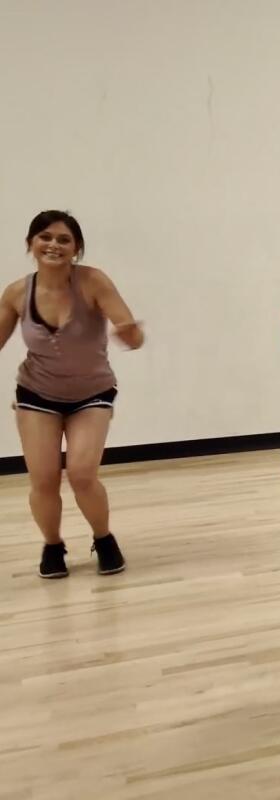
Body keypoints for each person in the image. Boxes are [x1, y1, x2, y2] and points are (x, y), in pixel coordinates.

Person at [0, 210, 144, 579]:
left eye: (64, 239)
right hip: (36, 393)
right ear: (31, 243)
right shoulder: (17, 292)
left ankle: (104, 537)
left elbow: (130, 329)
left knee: (81, 473)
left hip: (91, 392)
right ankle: (52, 544)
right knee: (44, 479)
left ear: (76, 248)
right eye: (45, 237)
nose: (54, 245)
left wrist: (130, 334)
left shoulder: (93, 282)